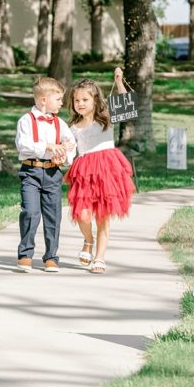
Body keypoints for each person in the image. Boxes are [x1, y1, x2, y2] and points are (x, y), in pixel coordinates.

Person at [65, 69, 136, 274]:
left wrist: (119, 82)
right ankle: (88, 240)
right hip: (85, 172)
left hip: (106, 170)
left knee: (102, 216)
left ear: (95, 100)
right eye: (77, 100)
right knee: (83, 215)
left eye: (85, 99)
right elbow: (69, 147)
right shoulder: (74, 126)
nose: (80, 103)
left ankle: (99, 257)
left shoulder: (106, 118)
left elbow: (127, 105)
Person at [14, 76, 76, 273]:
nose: (61, 103)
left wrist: (64, 153)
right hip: (30, 172)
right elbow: (24, 146)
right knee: (30, 212)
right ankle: (25, 254)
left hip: (52, 173)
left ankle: (51, 256)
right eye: (58, 99)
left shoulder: (60, 123)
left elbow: (70, 143)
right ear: (43, 100)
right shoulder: (26, 121)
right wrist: (47, 146)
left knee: (53, 215)